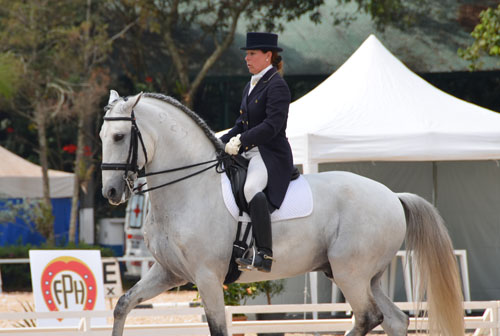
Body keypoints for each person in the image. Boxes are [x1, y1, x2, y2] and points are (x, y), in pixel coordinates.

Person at [220, 32, 294, 273]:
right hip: (250, 151)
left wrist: (241, 141)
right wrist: (219, 141)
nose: (247, 58)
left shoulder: (277, 85)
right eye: (247, 54)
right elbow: (242, 123)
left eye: (252, 54)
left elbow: (272, 126)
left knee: (251, 188)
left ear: (268, 56)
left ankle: (264, 254)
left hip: (270, 154)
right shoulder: (251, 84)